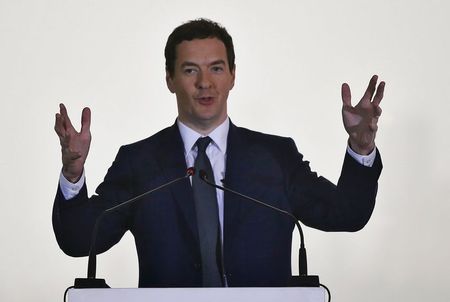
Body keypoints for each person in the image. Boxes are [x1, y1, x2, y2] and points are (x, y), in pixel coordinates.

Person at [53, 18, 384, 287]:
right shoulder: (140, 161)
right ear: (170, 79)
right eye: (189, 70)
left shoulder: (275, 157)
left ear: (232, 76)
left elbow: (347, 213)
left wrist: (361, 147)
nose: (204, 83)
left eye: (215, 68)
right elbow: (79, 239)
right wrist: (72, 173)